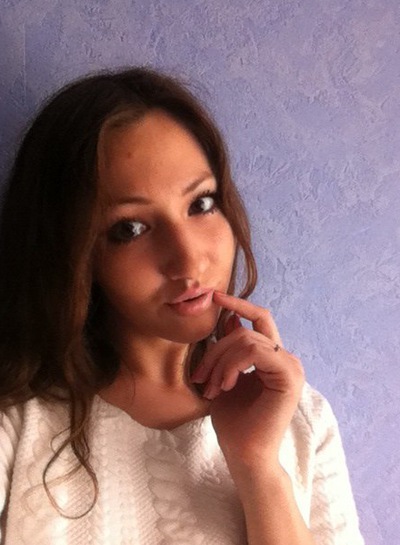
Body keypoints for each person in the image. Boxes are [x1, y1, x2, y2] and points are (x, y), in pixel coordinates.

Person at [0, 67, 364, 545]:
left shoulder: (300, 418)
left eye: (201, 204)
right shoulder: (17, 423)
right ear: (72, 252)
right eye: (130, 229)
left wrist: (258, 466)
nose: (189, 259)